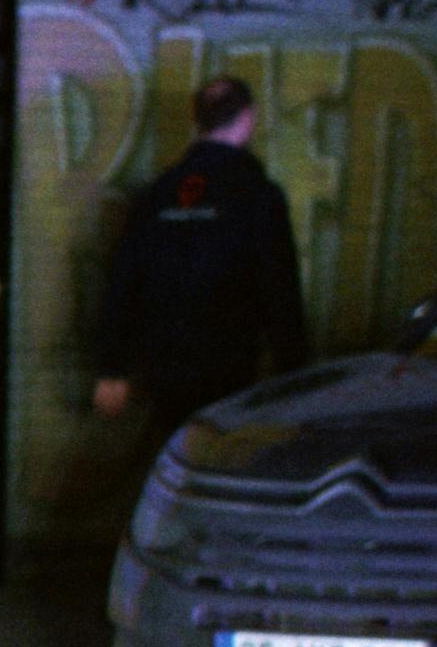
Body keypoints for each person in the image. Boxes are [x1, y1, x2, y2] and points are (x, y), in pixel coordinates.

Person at [92, 73, 311, 437]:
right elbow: (279, 289)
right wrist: (294, 375)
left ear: (198, 121)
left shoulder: (158, 193)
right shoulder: (259, 195)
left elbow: (124, 279)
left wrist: (111, 368)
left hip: (162, 370)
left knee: (172, 459)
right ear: (248, 117)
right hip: (230, 369)